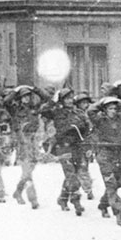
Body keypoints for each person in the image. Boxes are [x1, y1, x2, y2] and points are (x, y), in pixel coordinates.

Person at [40, 88, 92, 216]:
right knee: (70, 174)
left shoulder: (78, 113)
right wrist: (53, 101)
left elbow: (87, 129)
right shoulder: (56, 112)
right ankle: (76, 201)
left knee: (77, 172)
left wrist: (88, 146)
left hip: (78, 146)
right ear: (62, 100)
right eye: (66, 98)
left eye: (71, 98)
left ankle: (62, 198)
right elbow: (43, 111)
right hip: (64, 147)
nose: (69, 101)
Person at [88, 96, 121, 226]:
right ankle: (118, 211)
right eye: (110, 108)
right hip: (104, 153)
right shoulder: (99, 119)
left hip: (119, 153)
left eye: (115, 108)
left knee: (120, 182)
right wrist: (102, 102)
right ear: (105, 110)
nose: (113, 111)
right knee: (110, 182)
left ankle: (103, 204)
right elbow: (90, 111)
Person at [5, 85, 43, 209]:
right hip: (22, 143)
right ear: (19, 98)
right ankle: (33, 199)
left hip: (33, 143)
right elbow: (6, 101)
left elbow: (47, 100)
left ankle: (17, 192)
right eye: (23, 96)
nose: (26, 98)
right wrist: (16, 90)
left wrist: (36, 89)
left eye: (28, 96)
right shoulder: (15, 110)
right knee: (27, 172)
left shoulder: (35, 108)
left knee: (28, 171)